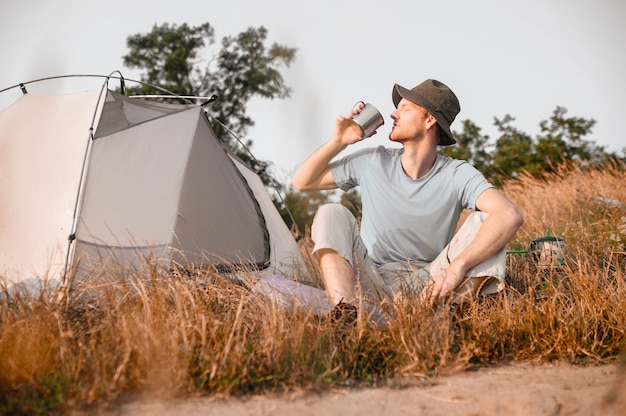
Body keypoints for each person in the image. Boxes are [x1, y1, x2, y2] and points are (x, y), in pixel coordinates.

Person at [291, 79, 524, 319]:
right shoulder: (373, 161)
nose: (393, 113)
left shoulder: (457, 174)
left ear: (429, 119)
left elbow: (509, 215)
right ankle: (346, 315)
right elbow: (302, 182)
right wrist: (338, 142)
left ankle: (450, 318)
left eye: (405, 108)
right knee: (331, 212)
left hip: (430, 286)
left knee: (488, 221)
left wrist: (458, 267)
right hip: (372, 282)